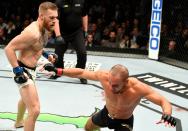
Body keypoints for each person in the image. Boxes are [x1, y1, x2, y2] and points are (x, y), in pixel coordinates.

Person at [43, 64, 176, 131]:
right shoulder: (105, 77)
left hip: (124, 121)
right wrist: (59, 71)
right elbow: (82, 72)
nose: (111, 88)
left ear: (126, 81)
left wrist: (167, 114)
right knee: (87, 127)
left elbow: (163, 101)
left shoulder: (138, 88)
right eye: (110, 84)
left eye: (116, 86)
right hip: (106, 113)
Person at [4, 2, 58, 131]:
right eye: (51, 17)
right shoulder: (32, 33)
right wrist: (17, 71)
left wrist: (46, 55)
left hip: (32, 69)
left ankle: (18, 123)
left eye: (56, 17)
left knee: (25, 99)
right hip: (23, 69)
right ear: (41, 16)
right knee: (34, 110)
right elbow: (9, 48)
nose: (54, 21)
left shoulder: (45, 28)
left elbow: (36, 45)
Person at [52, 0, 89, 84]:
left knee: (82, 52)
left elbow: (84, 15)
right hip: (62, 32)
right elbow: (55, 19)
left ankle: (80, 73)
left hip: (77, 32)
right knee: (58, 54)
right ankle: (58, 71)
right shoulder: (59, 2)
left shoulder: (81, 1)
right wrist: (58, 35)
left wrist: (86, 30)